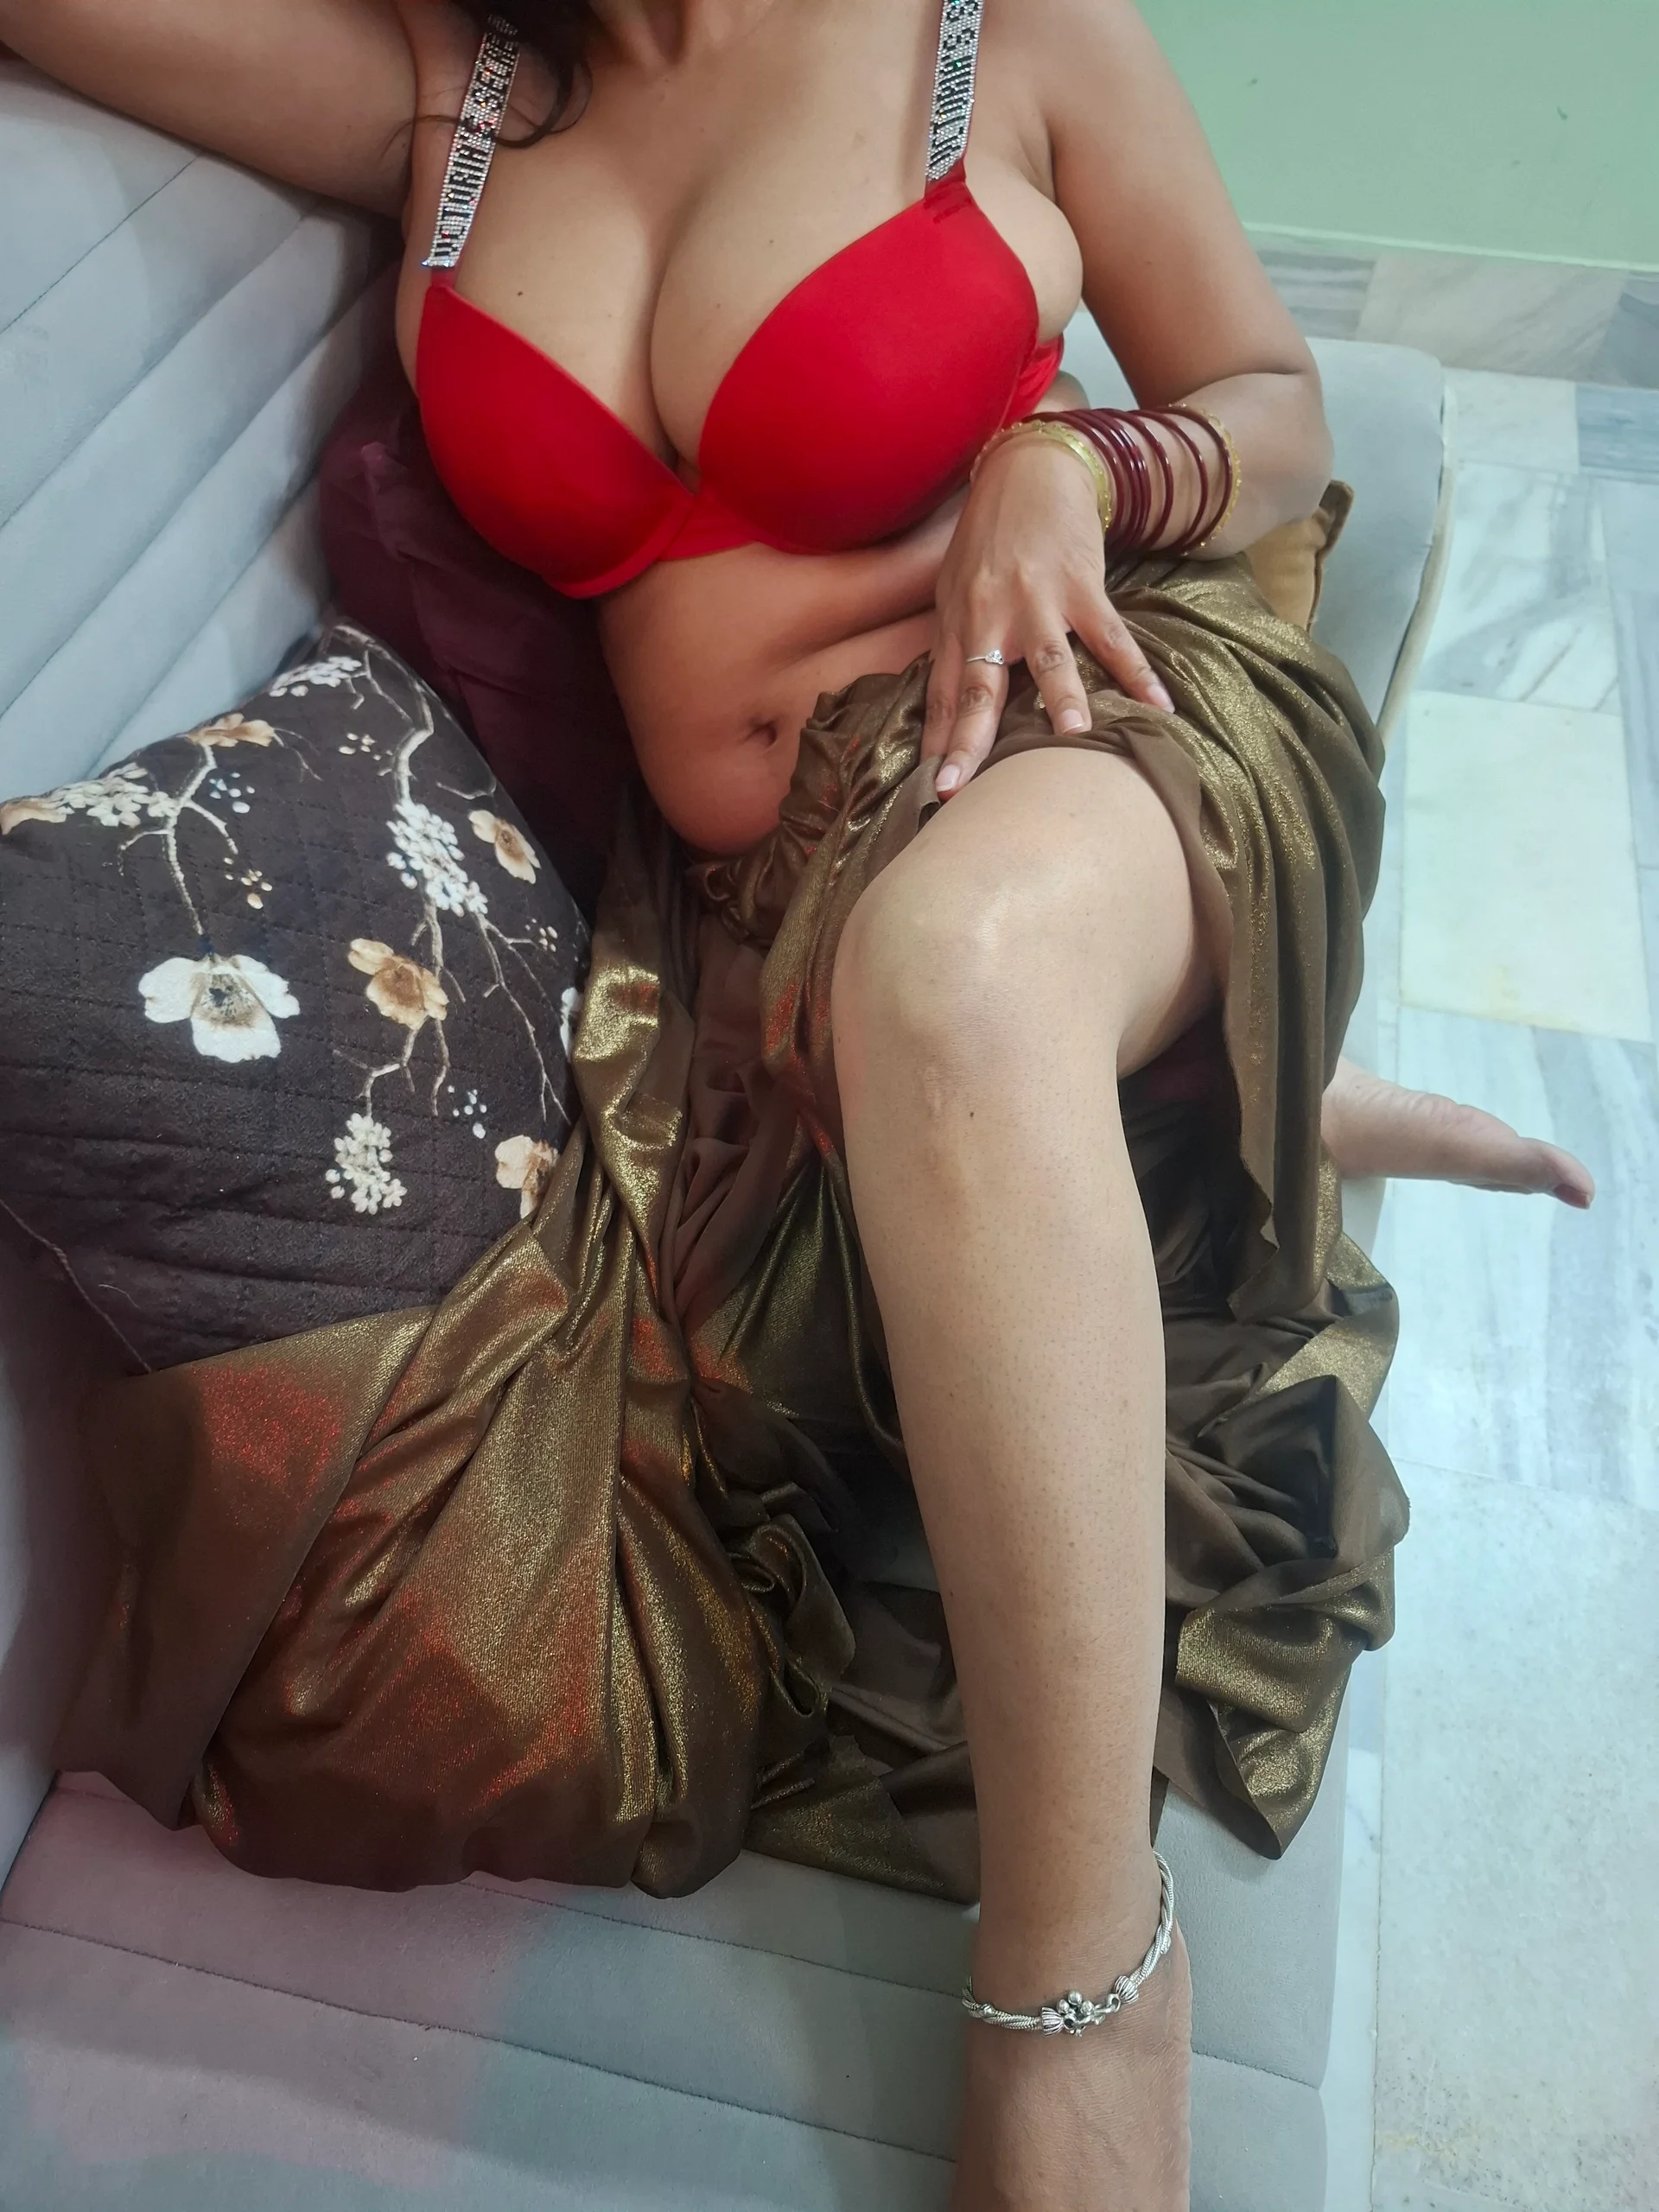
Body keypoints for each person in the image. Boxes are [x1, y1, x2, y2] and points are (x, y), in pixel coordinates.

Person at [3, 4, 1594, 2205]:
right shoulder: (455, 90)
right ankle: (1231, 1102)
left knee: (954, 978)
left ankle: (1086, 1997)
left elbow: (1276, 402)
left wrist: (1082, 466)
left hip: (1088, 726)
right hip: (762, 918)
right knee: (888, 1077)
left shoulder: (997, 30)